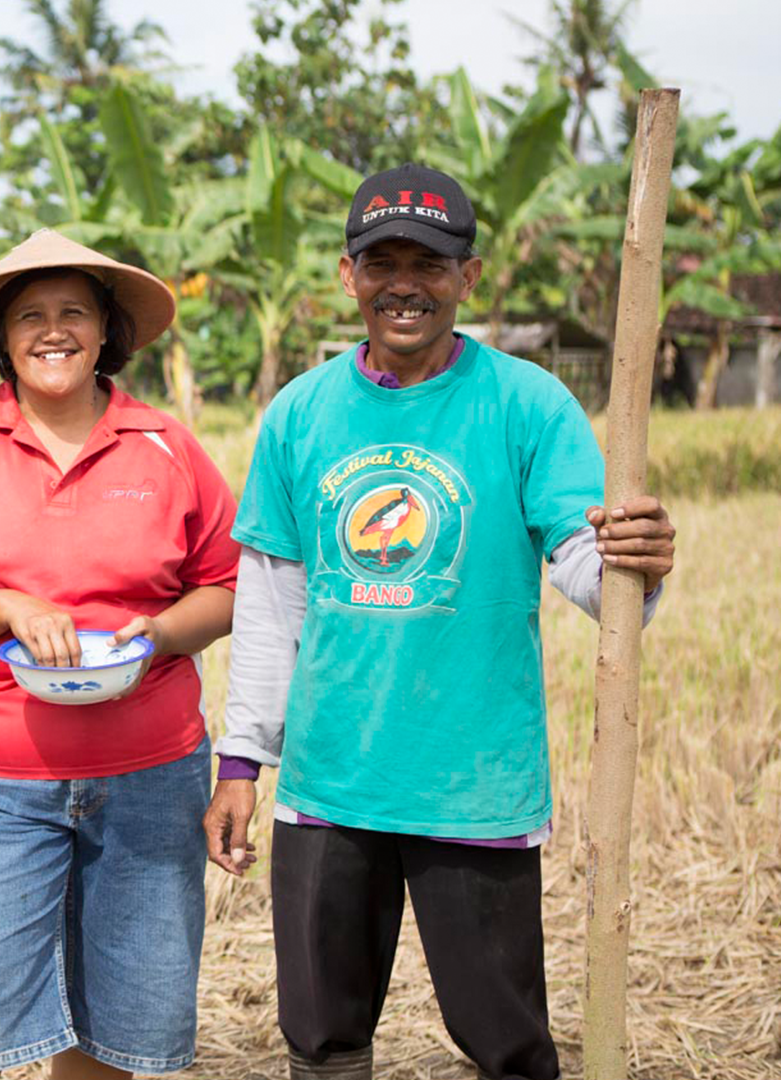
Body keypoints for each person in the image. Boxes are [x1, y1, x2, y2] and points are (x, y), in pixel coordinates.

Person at [204, 164, 678, 1080]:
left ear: (469, 277)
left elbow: (581, 560)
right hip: (329, 784)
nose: (404, 285)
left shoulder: (528, 404)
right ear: (349, 277)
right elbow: (269, 604)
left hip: (475, 787)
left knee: (505, 1042)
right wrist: (240, 763)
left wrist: (635, 561)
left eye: (430, 262)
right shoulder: (301, 413)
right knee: (322, 1038)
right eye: (382, 261)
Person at [0, 230, 242, 1078]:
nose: (53, 330)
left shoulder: (166, 446)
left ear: (108, 329)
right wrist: (6, 604)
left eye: (74, 311)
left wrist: (158, 636)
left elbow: (225, 586)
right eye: (29, 315)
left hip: (151, 777)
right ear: (1, 340)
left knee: (116, 1024)